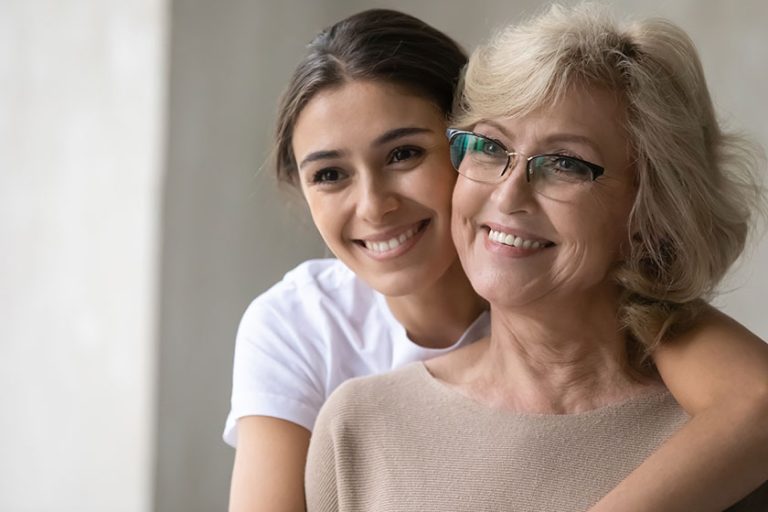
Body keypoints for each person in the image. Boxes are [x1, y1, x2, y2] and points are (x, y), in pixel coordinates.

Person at [227, 8, 768, 512]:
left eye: (565, 163)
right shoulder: (344, 403)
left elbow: (755, 397)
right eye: (490, 148)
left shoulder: (721, 439)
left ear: (650, 212)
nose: (508, 197)